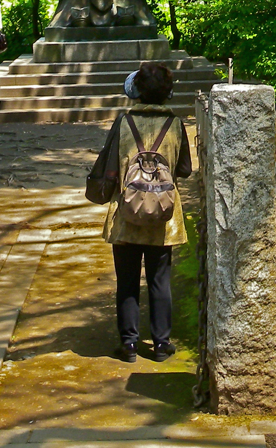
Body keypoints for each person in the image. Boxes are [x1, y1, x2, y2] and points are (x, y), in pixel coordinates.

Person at [87, 62, 192, 362]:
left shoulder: (123, 123)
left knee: (128, 279)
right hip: (164, 216)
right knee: (160, 279)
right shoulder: (175, 124)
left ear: (138, 91)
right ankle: (161, 344)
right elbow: (184, 168)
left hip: (127, 211)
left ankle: (129, 344)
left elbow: (108, 168)